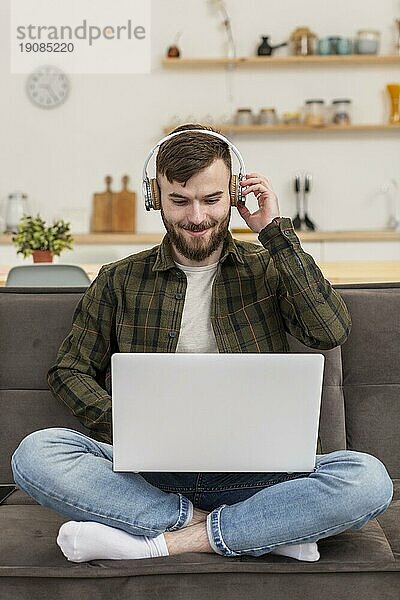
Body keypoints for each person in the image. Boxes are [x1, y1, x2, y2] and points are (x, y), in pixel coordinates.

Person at [11, 124, 393, 563]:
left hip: (258, 473)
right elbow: (68, 371)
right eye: (180, 200)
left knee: (368, 479)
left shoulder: (266, 268)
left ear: (233, 194)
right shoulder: (119, 279)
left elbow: (329, 332)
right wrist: (133, 423)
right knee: (36, 453)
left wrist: (274, 232)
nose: (197, 217)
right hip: (145, 475)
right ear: (156, 198)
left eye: (212, 199)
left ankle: (160, 541)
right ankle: (262, 527)